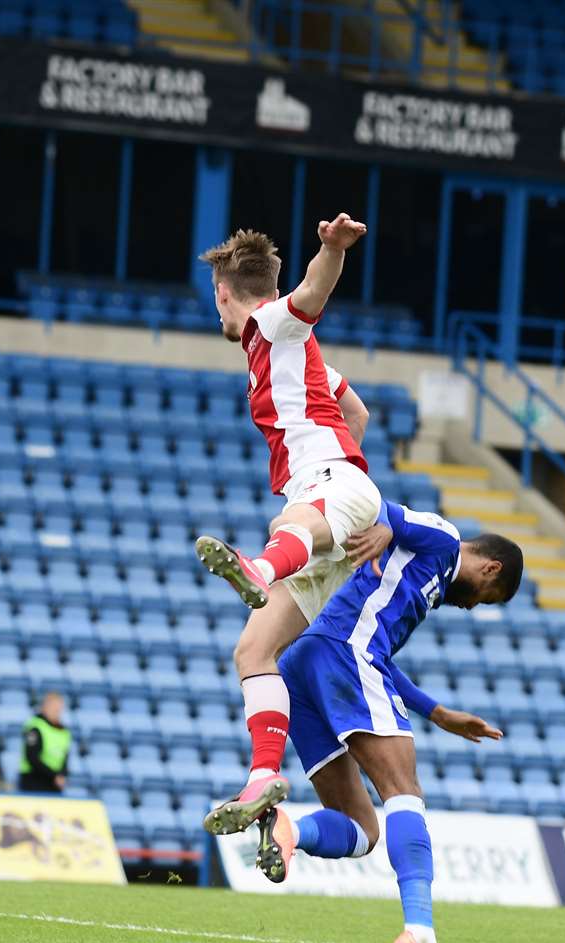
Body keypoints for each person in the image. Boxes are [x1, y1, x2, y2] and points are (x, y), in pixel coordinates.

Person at [256, 500, 524, 943]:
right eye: (488, 597)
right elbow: (379, 503)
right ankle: (421, 935)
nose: (475, 606)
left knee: (361, 830)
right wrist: (382, 526)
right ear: (491, 568)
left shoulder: (431, 580)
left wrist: (437, 712)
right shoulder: (444, 540)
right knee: (404, 793)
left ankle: (290, 829)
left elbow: (379, 652)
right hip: (343, 653)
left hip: (309, 662)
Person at [193, 214, 381, 837]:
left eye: (215, 300)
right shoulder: (292, 358)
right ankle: (261, 776)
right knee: (253, 650)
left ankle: (259, 566)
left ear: (225, 292)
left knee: (291, 523)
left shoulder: (274, 323)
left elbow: (311, 293)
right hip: (333, 502)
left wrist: (331, 250)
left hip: (326, 493)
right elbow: (357, 410)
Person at [19, 692, 72, 795]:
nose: (57, 711)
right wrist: (54, 776)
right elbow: (32, 757)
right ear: (44, 707)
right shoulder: (35, 727)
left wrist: (62, 775)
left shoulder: (64, 732)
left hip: (54, 784)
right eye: (54, 707)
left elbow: (65, 758)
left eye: (59, 708)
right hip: (34, 781)